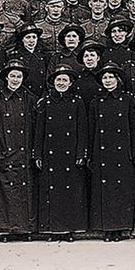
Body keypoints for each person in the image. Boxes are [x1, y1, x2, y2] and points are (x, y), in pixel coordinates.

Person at [32, 65, 90, 239]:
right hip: (51, 153)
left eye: (65, 80)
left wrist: (81, 153)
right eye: (58, 80)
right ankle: (53, 229)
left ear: (71, 83)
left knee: (69, 192)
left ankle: (69, 229)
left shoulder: (77, 102)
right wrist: (38, 154)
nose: (62, 83)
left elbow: (82, 129)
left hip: (70, 154)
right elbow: (39, 130)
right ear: (53, 82)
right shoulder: (46, 102)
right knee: (51, 192)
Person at [0, 60, 37, 239]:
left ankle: (25, 229)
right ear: (6, 77)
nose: (15, 79)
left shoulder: (31, 99)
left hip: (24, 153)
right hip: (3, 152)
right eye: (12, 76)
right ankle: (5, 229)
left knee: (24, 192)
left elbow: (36, 128)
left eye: (19, 76)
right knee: (4, 192)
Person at [86, 63, 135, 241]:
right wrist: (91, 154)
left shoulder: (128, 99)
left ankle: (120, 227)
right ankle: (107, 228)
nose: (108, 81)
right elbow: (91, 129)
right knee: (104, 190)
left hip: (123, 151)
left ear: (118, 79)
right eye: (105, 78)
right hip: (102, 152)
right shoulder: (96, 101)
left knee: (121, 189)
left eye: (111, 77)